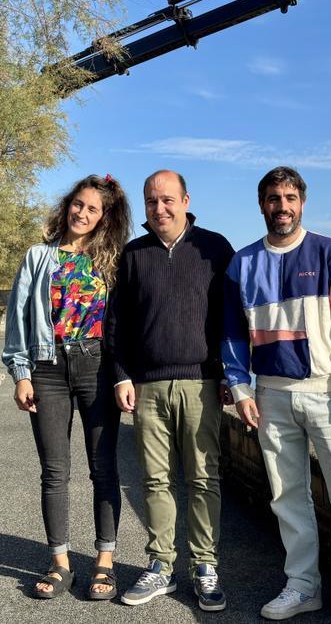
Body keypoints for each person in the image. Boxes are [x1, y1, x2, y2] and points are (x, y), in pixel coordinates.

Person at [223, 166, 331, 624]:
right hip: (271, 394)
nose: (282, 207)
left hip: (327, 392)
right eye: (274, 198)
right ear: (261, 205)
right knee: (287, 497)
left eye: (290, 198)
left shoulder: (329, 253)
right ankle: (303, 587)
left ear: (302, 203)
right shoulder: (243, 263)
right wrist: (239, 386)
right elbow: (232, 333)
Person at [106, 170, 235, 611]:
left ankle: (204, 565)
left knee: (203, 479)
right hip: (148, 387)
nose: (159, 209)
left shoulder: (214, 248)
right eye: (150, 202)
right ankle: (161, 565)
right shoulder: (133, 254)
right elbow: (116, 326)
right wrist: (122, 375)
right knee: (155, 480)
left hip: (202, 383)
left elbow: (231, 319)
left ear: (185, 200)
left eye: (167, 200)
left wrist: (232, 376)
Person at [1, 174, 132, 601]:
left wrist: (125, 374)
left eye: (93, 209)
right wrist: (21, 375)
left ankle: (104, 562)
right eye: (78, 204)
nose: (82, 213)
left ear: (104, 218)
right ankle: (60, 563)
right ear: (67, 205)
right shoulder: (39, 257)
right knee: (55, 472)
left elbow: (124, 324)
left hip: (96, 366)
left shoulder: (113, 260)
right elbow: (18, 317)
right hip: (48, 367)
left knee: (103, 468)